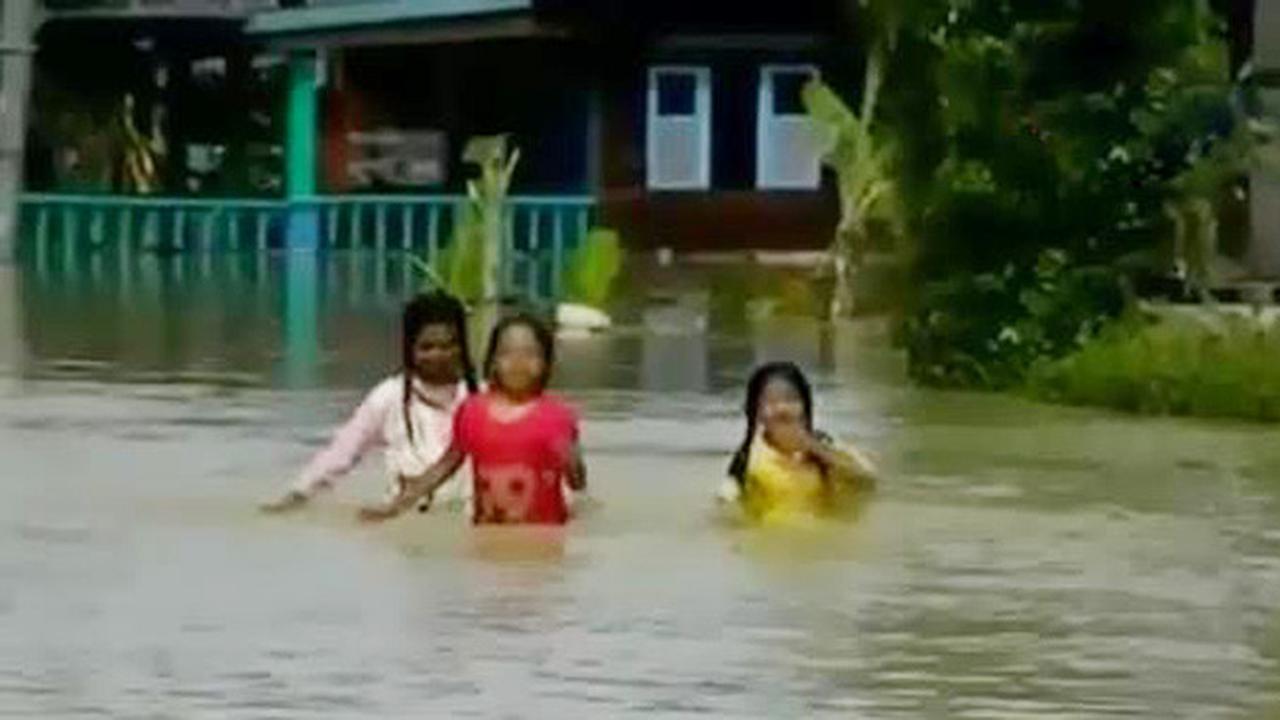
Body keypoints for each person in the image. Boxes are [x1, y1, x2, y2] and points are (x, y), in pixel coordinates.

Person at [359, 312, 587, 525]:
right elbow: (445, 466)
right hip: (486, 536)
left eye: (530, 354)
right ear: (493, 362)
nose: (518, 363)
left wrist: (572, 463)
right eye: (508, 353)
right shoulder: (473, 412)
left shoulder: (557, 417)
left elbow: (577, 483)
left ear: (547, 363)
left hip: (544, 539)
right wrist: (396, 506)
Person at [260, 292, 477, 514]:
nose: (438, 356)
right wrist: (296, 497)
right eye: (427, 347)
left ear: (462, 347)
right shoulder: (388, 398)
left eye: (448, 346)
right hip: (404, 520)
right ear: (410, 349)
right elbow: (341, 454)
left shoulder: (483, 398)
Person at [718, 362, 877, 524]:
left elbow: (867, 481)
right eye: (771, 402)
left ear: (804, 406)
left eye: (790, 399)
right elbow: (725, 504)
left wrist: (815, 448)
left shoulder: (824, 444)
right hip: (771, 541)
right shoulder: (746, 458)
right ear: (757, 412)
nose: (782, 409)